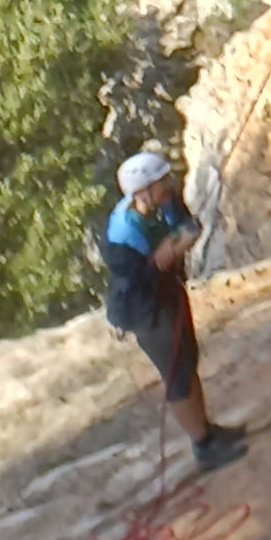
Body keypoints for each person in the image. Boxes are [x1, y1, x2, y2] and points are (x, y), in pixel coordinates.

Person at [97, 149, 244, 468]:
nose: (168, 185)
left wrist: (173, 243)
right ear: (142, 192)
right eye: (161, 182)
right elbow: (155, 265)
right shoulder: (123, 233)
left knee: (188, 362)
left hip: (169, 294)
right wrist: (172, 246)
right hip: (146, 310)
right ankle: (203, 447)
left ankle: (207, 430)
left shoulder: (166, 202)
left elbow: (191, 229)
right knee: (176, 374)